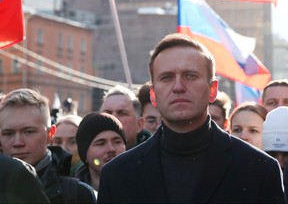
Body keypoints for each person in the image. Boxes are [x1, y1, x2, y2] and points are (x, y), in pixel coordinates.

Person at [97, 33, 285, 204]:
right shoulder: (117, 174)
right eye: (167, 77)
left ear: (212, 90)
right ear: (153, 94)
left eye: (190, 76)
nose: (178, 86)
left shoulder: (259, 169)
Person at [0, 88, 96, 204]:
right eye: (8, 133)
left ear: (50, 134)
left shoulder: (78, 194)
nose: (18, 142)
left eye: (28, 132)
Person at [75, 112, 126, 191]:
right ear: (85, 155)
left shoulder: (144, 186)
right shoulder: (72, 195)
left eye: (117, 142)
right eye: (101, 143)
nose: (111, 149)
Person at [100, 84, 151, 149]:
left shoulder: (156, 156)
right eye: (107, 113)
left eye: (122, 113)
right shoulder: (89, 156)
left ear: (139, 124)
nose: (113, 118)